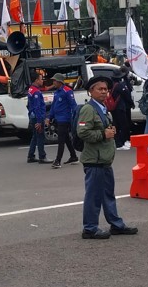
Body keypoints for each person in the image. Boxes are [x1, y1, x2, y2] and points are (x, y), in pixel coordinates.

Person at [76, 75, 138, 240]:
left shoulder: (102, 107)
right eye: (100, 89)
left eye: (106, 89)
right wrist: (104, 134)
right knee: (94, 196)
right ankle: (89, 228)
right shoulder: (89, 109)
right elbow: (82, 132)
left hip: (103, 160)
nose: (104, 92)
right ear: (91, 91)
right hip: (94, 161)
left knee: (107, 194)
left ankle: (116, 225)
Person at [47, 73, 79, 168]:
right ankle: (73, 156)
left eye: (55, 81)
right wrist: (49, 117)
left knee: (61, 140)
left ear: (60, 82)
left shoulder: (67, 91)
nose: (53, 82)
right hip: (58, 118)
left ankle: (58, 161)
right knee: (66, 139)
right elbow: (53, 106)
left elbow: (73, 105)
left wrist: (76, 117)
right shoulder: (57, 92)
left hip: (65, 119)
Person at [26, 75, 48, 164]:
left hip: (32, 115)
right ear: (36, 80)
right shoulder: (36, 92)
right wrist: (39, 121)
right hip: (37, 117)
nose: (42, 81)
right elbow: (38, 107)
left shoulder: (31, 89)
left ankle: (31, 156)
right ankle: (42, 157)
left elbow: (29, 105)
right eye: (41, 79)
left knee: (35, 136)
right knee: (40, 136)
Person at [109, 73, 134, 150]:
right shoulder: (120, 86)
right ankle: (121, 143)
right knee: (123, 125)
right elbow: (127, 95)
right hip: (120, 107)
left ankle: (117, 142)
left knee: (116, 125)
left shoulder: (111, 85)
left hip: (113, 108)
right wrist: (131, 103)